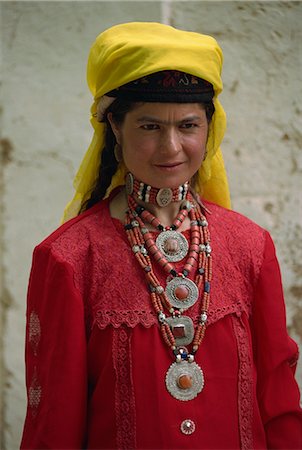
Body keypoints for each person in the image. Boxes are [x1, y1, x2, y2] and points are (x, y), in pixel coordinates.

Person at [21, 22, 302, 449]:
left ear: (210, 128)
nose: (171, 147)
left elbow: (279, 404)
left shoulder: (250, 246)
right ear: (114, 126)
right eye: (150, 127)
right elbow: (54, 424)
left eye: (188, 126)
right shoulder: (70, 258)